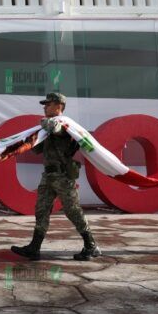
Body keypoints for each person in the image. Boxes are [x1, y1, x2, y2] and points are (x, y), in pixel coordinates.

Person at [11, 92, 101, 261]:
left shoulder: (64, 124)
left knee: (72, 210)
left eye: (48, 104)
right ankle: (34, 248)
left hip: (63, 175)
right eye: (45, 104)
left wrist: (43, 126)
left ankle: (91, 245)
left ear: (59, 106)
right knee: (41, 210)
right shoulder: (48, 128)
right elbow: (38, 149)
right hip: (49, 175)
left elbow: (55, 128)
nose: (45, 107)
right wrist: (28, 140)